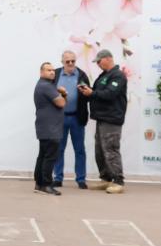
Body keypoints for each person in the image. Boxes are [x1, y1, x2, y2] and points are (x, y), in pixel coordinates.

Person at [78, 49, 128, 194]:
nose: (98, 64)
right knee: (100, 151)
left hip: (112, 119)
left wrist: (92, 93)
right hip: (102, 118)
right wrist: (88, 91)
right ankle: (106, 179)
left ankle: (118, 181)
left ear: (107, 59)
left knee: (111, 149)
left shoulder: (118, 75)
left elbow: (110, 94)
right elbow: (98, 92)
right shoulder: (104, 75)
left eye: (99, 61)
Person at [52, 51, 91, 189]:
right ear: (62, 62)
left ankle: (81, 179)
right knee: (59, 149)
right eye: (67, 61)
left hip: (77, 118)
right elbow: (48, 93)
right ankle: (58, 178)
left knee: (79, 150)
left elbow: (88, 96)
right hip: (59, 118)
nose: (70, 64)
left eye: (73, 61)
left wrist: (85, 92)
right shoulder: (55, 75)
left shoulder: (82, 75)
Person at [34, 62, 66, 195]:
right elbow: (61, 103)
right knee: (49, 157)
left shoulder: (44, 85)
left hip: (46, 127)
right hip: (50, 128)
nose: (52, 72)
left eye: (53, 70)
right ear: (41, 72)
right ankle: (46, 185)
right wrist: (63, 93)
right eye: (48, 70)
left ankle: (39, 183)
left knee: (43, 156)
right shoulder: (46, 86)